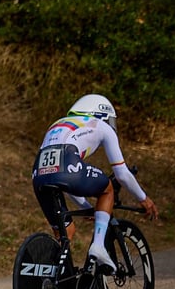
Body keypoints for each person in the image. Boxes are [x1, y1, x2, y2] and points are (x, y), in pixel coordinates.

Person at [31, 94, 158, 274]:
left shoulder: (57, 124)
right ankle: (98, 245)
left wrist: (87, 207)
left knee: (65, 232)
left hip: (39, 174)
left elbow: (65, 181)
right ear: (101, 115)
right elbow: (122, 174)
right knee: (107, 189)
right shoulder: (101, 126)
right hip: (67, 164)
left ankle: (57, 279)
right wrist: (143, 198)